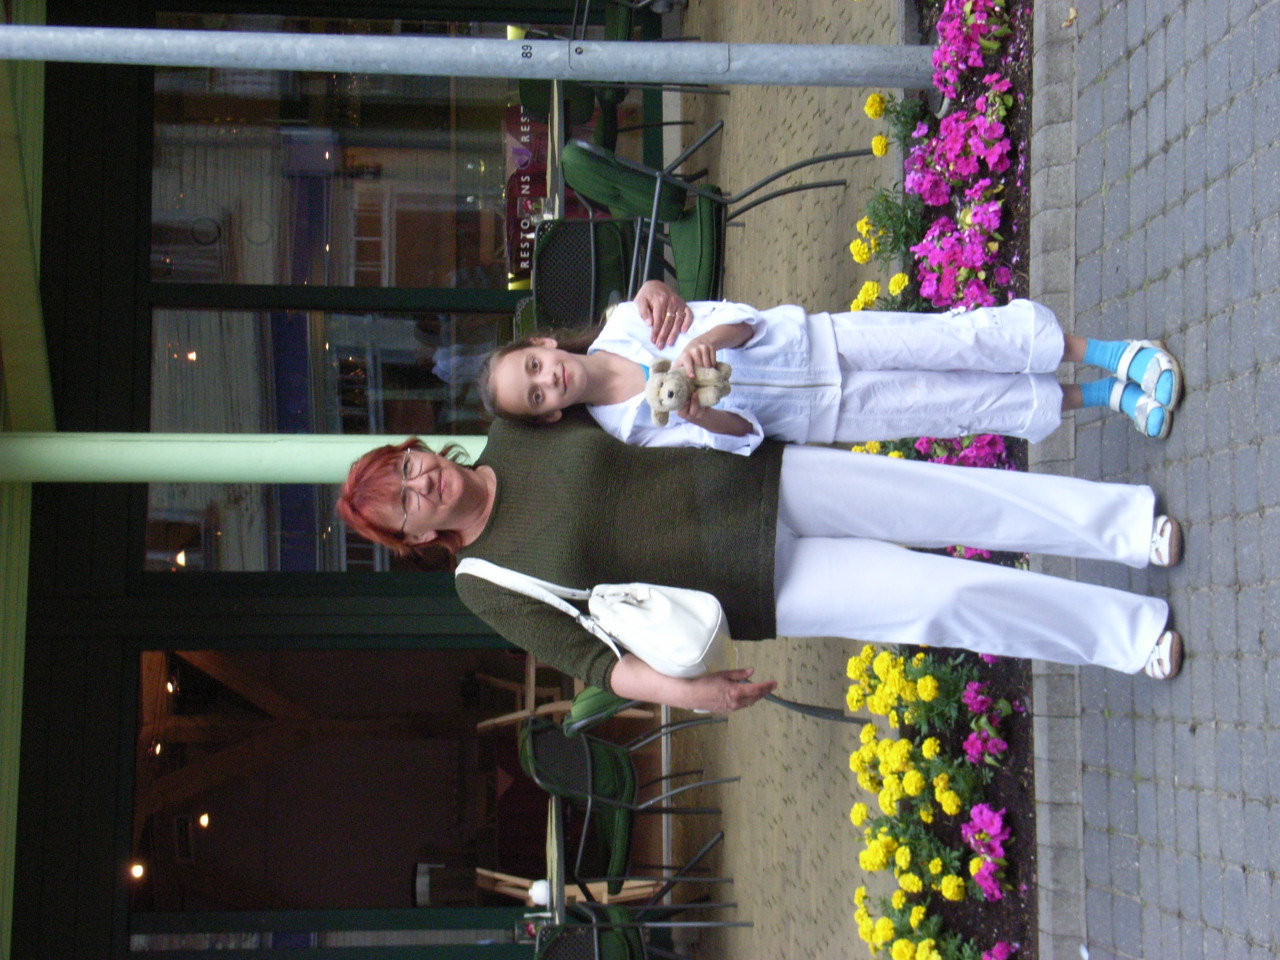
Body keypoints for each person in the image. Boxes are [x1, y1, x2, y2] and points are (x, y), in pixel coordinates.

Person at [336, 414, 1186, 714]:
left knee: (954, 500)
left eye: (408, 466)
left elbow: (614, 370)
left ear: (419, 448)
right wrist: (690, 693)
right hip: (751, 586)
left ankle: (1126, 527)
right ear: (412, 537)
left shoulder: (517, 427)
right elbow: (597, 662)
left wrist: (653, 304)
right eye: (403, 502)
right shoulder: (483, 583)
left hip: (759, 478)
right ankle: (1130, 636)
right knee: (942, 599)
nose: (422, 483)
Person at [476, 282, 1182, 453]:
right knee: (960, 409)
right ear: (550, 416)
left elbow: (747, 320)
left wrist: (705, 343)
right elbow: (742, 440)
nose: (547, 379)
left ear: (545, 343)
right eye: (534, 395)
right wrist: (698, 413)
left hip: (822, 343)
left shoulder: (633, 319)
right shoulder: (628, 431)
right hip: (823, 415)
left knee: (957, 343)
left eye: (534, 364)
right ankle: (1103, 397)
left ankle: (1107, 354)